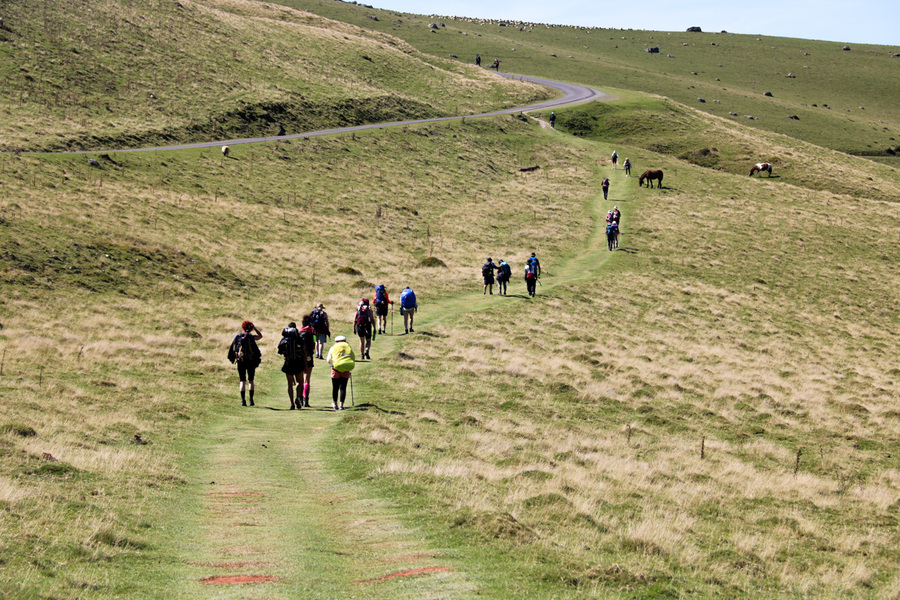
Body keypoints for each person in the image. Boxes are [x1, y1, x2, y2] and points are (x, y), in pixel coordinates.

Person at [228, 321, 262, 407]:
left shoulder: (238, 336)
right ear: (250, 329)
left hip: (241, 361)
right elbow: (260, 336)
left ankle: (243, 401)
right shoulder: (251, 337)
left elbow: (232, 348)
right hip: (250, 361)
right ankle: (251, 400)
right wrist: (254, 328)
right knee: (251, 380)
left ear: (242, 328)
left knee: (242, 381)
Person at [277, 322, 306, 410]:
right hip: (298, 362)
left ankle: (292, 403)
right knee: (300, 382)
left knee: (290, 384)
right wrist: (305, 364)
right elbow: (304, 352)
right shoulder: (299, 339)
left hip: (288, 363)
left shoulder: (284, 339)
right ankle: (298, 397)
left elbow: (280, 351)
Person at [326, 335, 355, 410]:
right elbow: (352, 358)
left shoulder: (333, 348)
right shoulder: (348, 348)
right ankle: (341, 405)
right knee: (343, 388)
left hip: (335, 369)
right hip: (346, 370)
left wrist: (333, 363)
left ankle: (335, 404)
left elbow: (328, 360)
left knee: (335, 388)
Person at [297, 315, 316, 407]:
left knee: (299, 380)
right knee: (307, 379)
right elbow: (314, 345)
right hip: (309, 356)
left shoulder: (299, 332)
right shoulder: (312, 333)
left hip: (300, 357)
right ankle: (306, 400)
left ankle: (299, 397)